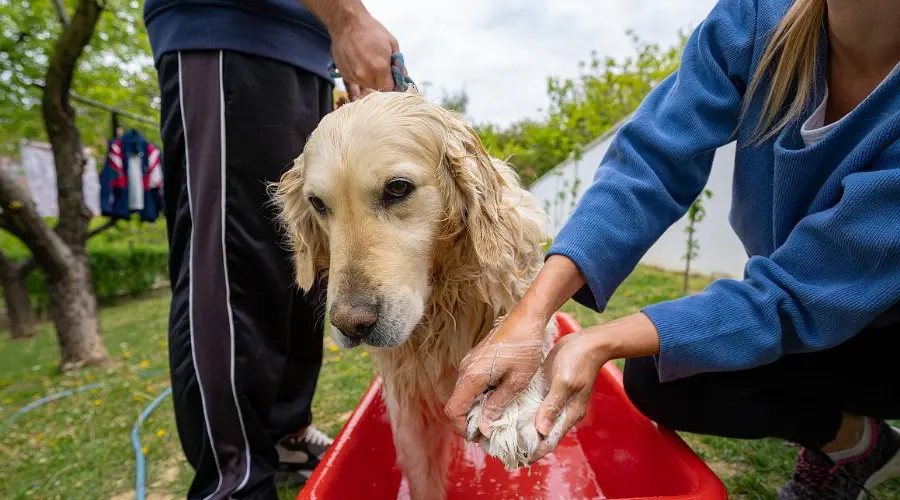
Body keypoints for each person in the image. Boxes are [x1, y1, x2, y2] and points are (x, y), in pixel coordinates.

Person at [445, 0, 900, 498]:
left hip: (886, 336)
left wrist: (593, 342)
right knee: (663, 371)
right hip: (812, 314)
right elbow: (651, 164)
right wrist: (529, 316)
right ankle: (857, 445)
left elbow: (797, 295)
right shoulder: (755, 20)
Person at [142, 1, 400, 498]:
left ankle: (284, 434)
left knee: (303, 255)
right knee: (229, 265)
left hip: (305, 55)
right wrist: (347, 18)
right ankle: (234, 478)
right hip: (226, 32)